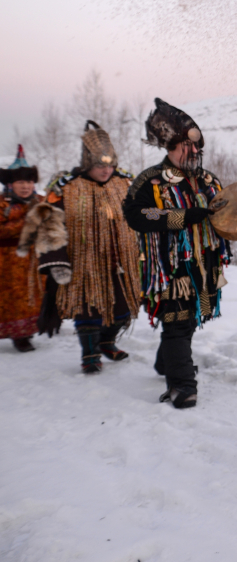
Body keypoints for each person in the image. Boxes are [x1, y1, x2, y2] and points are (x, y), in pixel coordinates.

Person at [122, 99, 230, 409]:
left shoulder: (208, 180)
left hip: (205, 264)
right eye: (187, 146)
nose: (195, 152)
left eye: (197, 147)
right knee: (178, 321)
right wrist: (183, 217)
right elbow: (135, 215)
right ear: (169, 146)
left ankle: (167, 362)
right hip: (169, 267)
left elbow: (225, 213)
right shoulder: (149, 180)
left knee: (189, 320)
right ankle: (182, 386)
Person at [19, 122, 141, 373]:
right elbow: (50, 224)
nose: (106, 170)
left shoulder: (125, 184)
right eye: (99, 164)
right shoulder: (67, 187)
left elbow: (140, 218)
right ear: (87, 162)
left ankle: (107, 343)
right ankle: (90, 354)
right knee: (89, 311)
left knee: (121, 310)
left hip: (121, 262)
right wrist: (56, 261)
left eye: (110, 164)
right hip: (84, 264)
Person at [1, 145, 45, 352]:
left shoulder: (41, 202)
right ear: (11, 184)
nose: (26, 186)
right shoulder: (2, 205)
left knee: (34, 295)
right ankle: (19, 336)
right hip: (7, 260)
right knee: (13, 297)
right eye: (20, 182)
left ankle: (29, 330)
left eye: (29, 181)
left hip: (34, 258)